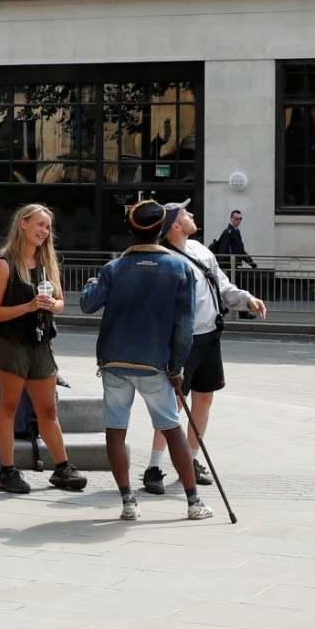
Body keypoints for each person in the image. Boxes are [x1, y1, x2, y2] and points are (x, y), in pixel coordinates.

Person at [81, 199, 199, 523]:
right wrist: (176, 366)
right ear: (161, 230)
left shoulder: (114, 269)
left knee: (115, 430)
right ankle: (193, 501)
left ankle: (128, 501)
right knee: (172, 429)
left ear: (130, 231)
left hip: (115, 361)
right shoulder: (179, 268)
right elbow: (184, 329)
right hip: (154, 363)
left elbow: (87, 304)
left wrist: (92, 283)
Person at [141, 202, 267, 495]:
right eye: (186, 214)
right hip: (181, 341)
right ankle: (154, 467)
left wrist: (246, 299)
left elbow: (222, 285)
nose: (192, 216)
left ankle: (191, 460)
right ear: (173, 225)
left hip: (210, 335)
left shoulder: (200, 250)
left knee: (204, 400)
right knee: (171, 407)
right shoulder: (163, 259)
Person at [0, 203, 87, 495]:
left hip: (40, 343)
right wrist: (27, 306)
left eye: (48, 227)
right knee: (9, 406)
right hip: (10, 343)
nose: (44, 231)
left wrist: (53, 305)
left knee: (48, 409)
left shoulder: (47, 262)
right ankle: (8, 471)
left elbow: (62, 301)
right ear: (23, 224)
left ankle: (62, 468)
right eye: (39, 224)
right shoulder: (4, 263)